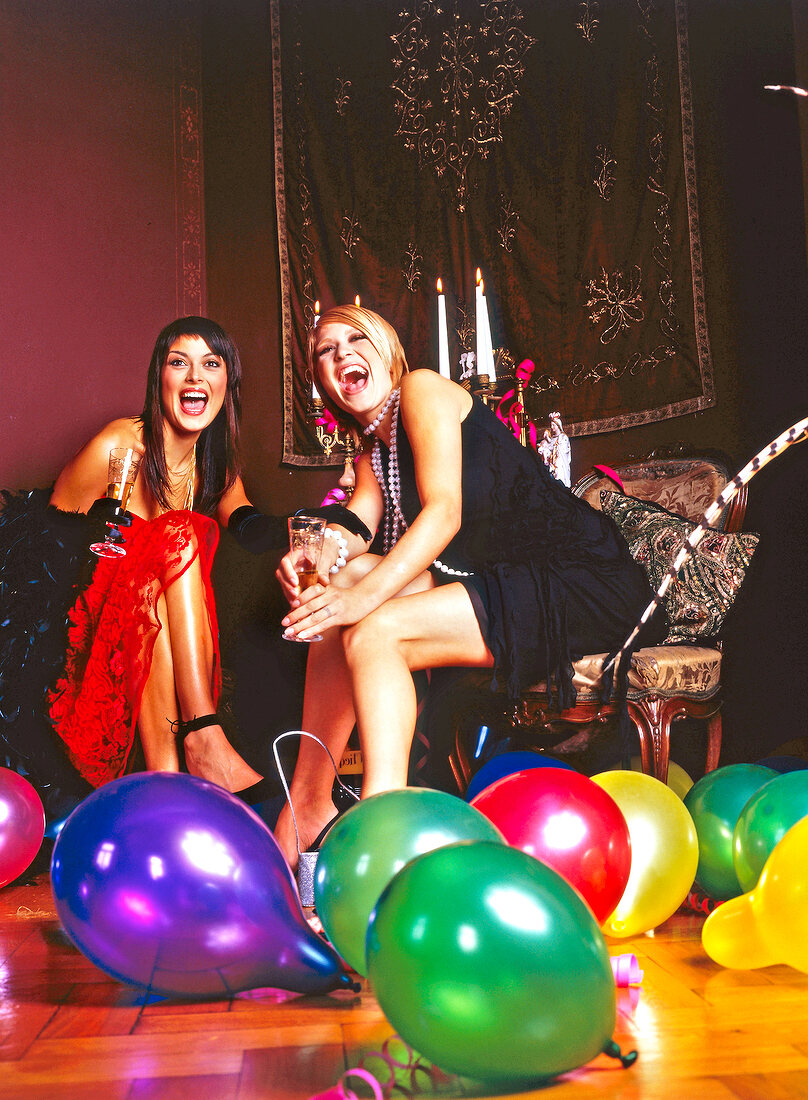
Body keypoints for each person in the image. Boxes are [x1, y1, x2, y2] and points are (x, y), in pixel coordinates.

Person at [273, 304, 666, 870]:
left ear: (387, 351)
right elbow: (354, 532)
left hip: (575, 576)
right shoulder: (372, 453)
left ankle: (383, 827)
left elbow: (444, 514)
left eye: (354, 339)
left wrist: (357, 600)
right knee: (343, 585)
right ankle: (306, 804)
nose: (340, 355)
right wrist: (311, 558)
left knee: (372, 632)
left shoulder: (422, 391)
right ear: (323, 383)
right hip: (504, 583)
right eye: (324, 352)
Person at [42, 316, 292, 795]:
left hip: (156, 637)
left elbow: (251, 527)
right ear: (160, 378)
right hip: (86, 640)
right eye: (179, 363)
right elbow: (42, 549)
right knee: (180, 529)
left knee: (161, 582)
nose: (195, 377)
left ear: (226, 384)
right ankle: (203, 734)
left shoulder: (216, 468)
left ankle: (169, 780)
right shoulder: (120, 445)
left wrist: (324, 524)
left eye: (210, 364)